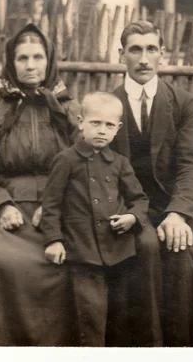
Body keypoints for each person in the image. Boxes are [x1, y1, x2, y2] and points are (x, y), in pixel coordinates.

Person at [0, 23, 80, 346]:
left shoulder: (68, 109)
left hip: (59, 204)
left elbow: (84, 166)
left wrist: (55, 204)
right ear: (11, 64)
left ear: (49, 60)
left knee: (70, 263)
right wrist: (2, 205)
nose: (31, 66)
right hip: (9, 203)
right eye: (23, 58)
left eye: (38, 57)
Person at [110, 20, 193, 346]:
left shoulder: (183, 103)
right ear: (121, 54)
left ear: (162, 53)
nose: (144, 59)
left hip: (168, 207)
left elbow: (191, 165)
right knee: (142, 253)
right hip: (124, 209)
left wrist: (178, 214)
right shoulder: (108, 105)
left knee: (180, 257)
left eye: (151, 49)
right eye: (135, 49)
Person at [40, 92, 153, 346]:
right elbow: (51, 204)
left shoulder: (120, 163)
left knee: (120, 317)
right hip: (84, 250)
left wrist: (132, 218)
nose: (102, 130)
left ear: (118, 128)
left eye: (109, 125)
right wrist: (53, 240)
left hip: (119, 251)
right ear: (81, 122)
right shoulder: (66, 160)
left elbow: (140, 199)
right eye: (95, 123)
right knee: (91, 318)